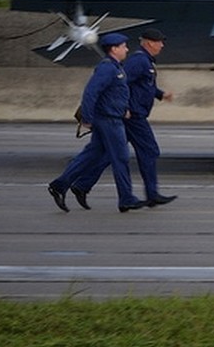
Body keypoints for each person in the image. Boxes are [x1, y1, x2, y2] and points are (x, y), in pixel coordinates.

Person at [68, 28, 176, 210]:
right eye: (159, 42)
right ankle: (151, 194)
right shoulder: (139, 61)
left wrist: (160, 94)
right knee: (149, 151)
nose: (162, 45)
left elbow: (143, 85)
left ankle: (82, 185)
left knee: (109, 155)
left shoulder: (145, 61)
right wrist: (124, 107)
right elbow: (120, 83)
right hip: (133, 116)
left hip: (129, 115)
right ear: (150, 43)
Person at [47, 32, 146, 213]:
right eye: (124, 46)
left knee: (91, 155)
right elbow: (91, 93)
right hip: (108, 121)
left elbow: (111, 94)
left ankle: (60, 185)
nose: (127, 49)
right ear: (114, 49)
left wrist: (123, 109)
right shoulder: (107, 68)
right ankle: (126, 199)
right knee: (121, 158)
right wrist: (87, 118)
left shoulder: (116, 68)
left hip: (111, 118)